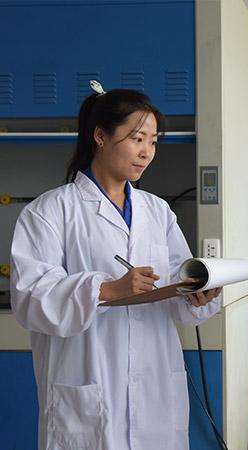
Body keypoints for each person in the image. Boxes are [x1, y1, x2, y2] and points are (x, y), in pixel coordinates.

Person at [10, 82, 221, 450]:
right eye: (137, 139)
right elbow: (30, 297)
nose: (146, 152)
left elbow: (176, 279)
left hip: (155, 382)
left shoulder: (157, 211)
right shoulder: (50, 211)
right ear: (101, 137)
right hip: (88, 380)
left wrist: (195, 294)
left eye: (153, 142)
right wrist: (107, 290)